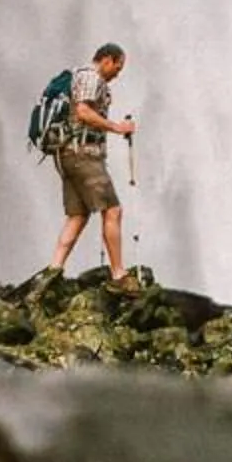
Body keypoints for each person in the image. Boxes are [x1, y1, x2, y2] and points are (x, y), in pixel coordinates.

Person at [44, 42, 137, 283]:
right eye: (118, 66)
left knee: (78, 215)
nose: (119, 72)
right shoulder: (90, 78)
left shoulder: (84, 78)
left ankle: (53, 271)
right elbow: (84, 112)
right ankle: (119, 273)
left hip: (69, 155)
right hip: (82, 154)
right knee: (113, 210)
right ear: (106, 59)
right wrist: (117, 127)